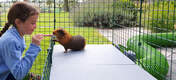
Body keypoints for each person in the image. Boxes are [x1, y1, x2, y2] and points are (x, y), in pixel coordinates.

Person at [0, 2, 44, 80]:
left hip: (8, 72)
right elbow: (19, 74)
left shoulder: (17, 35)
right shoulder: (11, 41)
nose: (36, 26)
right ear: (18, 22)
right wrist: (34, 47)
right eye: (33, 23)